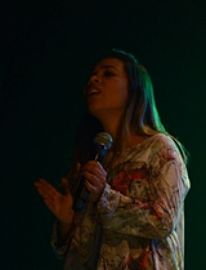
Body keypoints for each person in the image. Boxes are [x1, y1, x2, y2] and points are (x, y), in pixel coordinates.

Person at [34, 49, 190, 269]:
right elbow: (79, 255)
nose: (93, 79)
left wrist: (104, 197)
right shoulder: (97, 159)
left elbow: (163, 220)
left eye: (108, 74)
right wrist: (67, 223)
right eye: (92, 74)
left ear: (135, 89)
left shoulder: (160, 148)